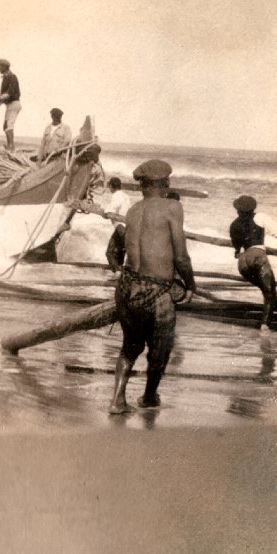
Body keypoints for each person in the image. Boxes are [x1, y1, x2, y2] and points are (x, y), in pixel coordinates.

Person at [108, 159, 196, 415]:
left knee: (130, 347)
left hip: (127, 287)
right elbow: (181, 256)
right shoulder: (173, 207)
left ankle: (117, 401)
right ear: (166, 183)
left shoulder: (133, 210)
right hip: (156, 291)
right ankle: (148, 397)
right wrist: (190, 285)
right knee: (160, 350)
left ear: (142, 186)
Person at [229, 195, 277, 330]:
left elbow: (237, 249)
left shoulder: (234, 225)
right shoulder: (260, 217)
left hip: (243, 262)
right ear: (253, 208)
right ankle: (265, 325)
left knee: (267, 290)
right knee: (269, 292)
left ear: (238, 210)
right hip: (258, 256)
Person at [0, 59, 21, 151]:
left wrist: (0, 99)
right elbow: (4, 95)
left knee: (9, 125)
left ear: (4, 67)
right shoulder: (6, 77)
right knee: (5, 126)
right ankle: (9, 145)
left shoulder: (12, 77)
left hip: (14, 104)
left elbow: (11, 92)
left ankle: (11, 147)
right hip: (10, 105)